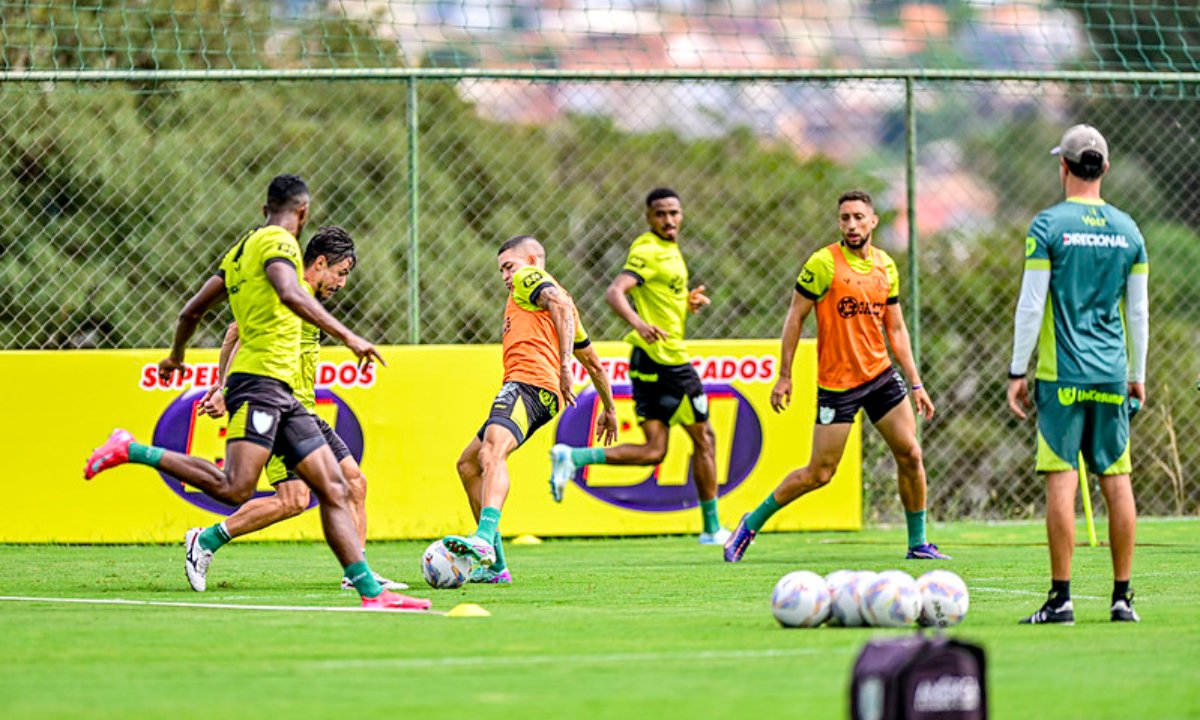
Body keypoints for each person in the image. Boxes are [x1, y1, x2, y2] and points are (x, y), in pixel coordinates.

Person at [84, 175, 428, 611]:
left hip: (284, 396)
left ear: (266, 206)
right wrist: (350, 337)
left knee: (338, 487)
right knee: (236, 488)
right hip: (261, 386)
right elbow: (283, 296)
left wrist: (176, 357)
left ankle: (369, 592)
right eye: (339, 273)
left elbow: (192, 310)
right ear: (301, 213)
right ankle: (131, 450)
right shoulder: (279, 247)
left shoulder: (238, 252)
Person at [724, 189, 947, 562]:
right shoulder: (823, 264)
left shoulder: (885, 267)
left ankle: (918, 543)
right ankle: (750, 523)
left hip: (879, 376)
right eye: (845, 218)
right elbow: (795, 317)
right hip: (837, 386)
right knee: (820, 473)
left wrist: (916, 382)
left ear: (873, 221)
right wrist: (784, 375)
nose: (852, 224)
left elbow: (896, 330)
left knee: (910, 454)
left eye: (859, 217)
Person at [185, 226, 405, 593]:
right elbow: (241, 334)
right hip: (277, 412)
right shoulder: (288, 295)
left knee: (354, 482)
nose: (343, 283)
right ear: (320, 263)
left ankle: (357, 572)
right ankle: (205, 540)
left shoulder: (301, 298)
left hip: (302, 411)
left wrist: (223, 384)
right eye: (341, 272)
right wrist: (228, 388)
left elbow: (232, 332)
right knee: (294, 500)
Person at [1007, 124, 1148, 624]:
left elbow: (1031, 304)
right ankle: (1122, 598)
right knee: (1117, 478)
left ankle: (1062, 599)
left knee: (1062, 482)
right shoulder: (1129, 230)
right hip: (1112, 372)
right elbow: (1138, 312)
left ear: (1062, 167)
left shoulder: (1048, 226)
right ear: (1104, 168)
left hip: (1061, 375)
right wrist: (1138, 372)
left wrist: (1016, 370)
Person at [548, 188, 730, 545]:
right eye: (660, 213)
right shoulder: (647, 250)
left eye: (674, 212)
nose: (669, 220)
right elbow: (616, 291)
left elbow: (657, 297)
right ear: (649, 217)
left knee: (653, 451)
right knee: (704, 438)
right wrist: (639, 324)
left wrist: (685, 303)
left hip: (649, 361)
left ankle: (574, 456)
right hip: (669, 360)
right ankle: (712, 530)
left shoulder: (670, 250)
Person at [444, 235, 618, 583]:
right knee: (468, 463)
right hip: (536, 390)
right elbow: (595, 363)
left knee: (492, 454)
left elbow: (560, 306)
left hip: (528, 385)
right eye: (502, 271)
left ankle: (483, 539)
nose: (507, 276)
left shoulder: (531, 281)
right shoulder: (550, 304)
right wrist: (609, 408)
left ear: (534, 261)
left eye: (509, 266)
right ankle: (496, 568)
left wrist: (565, 366)